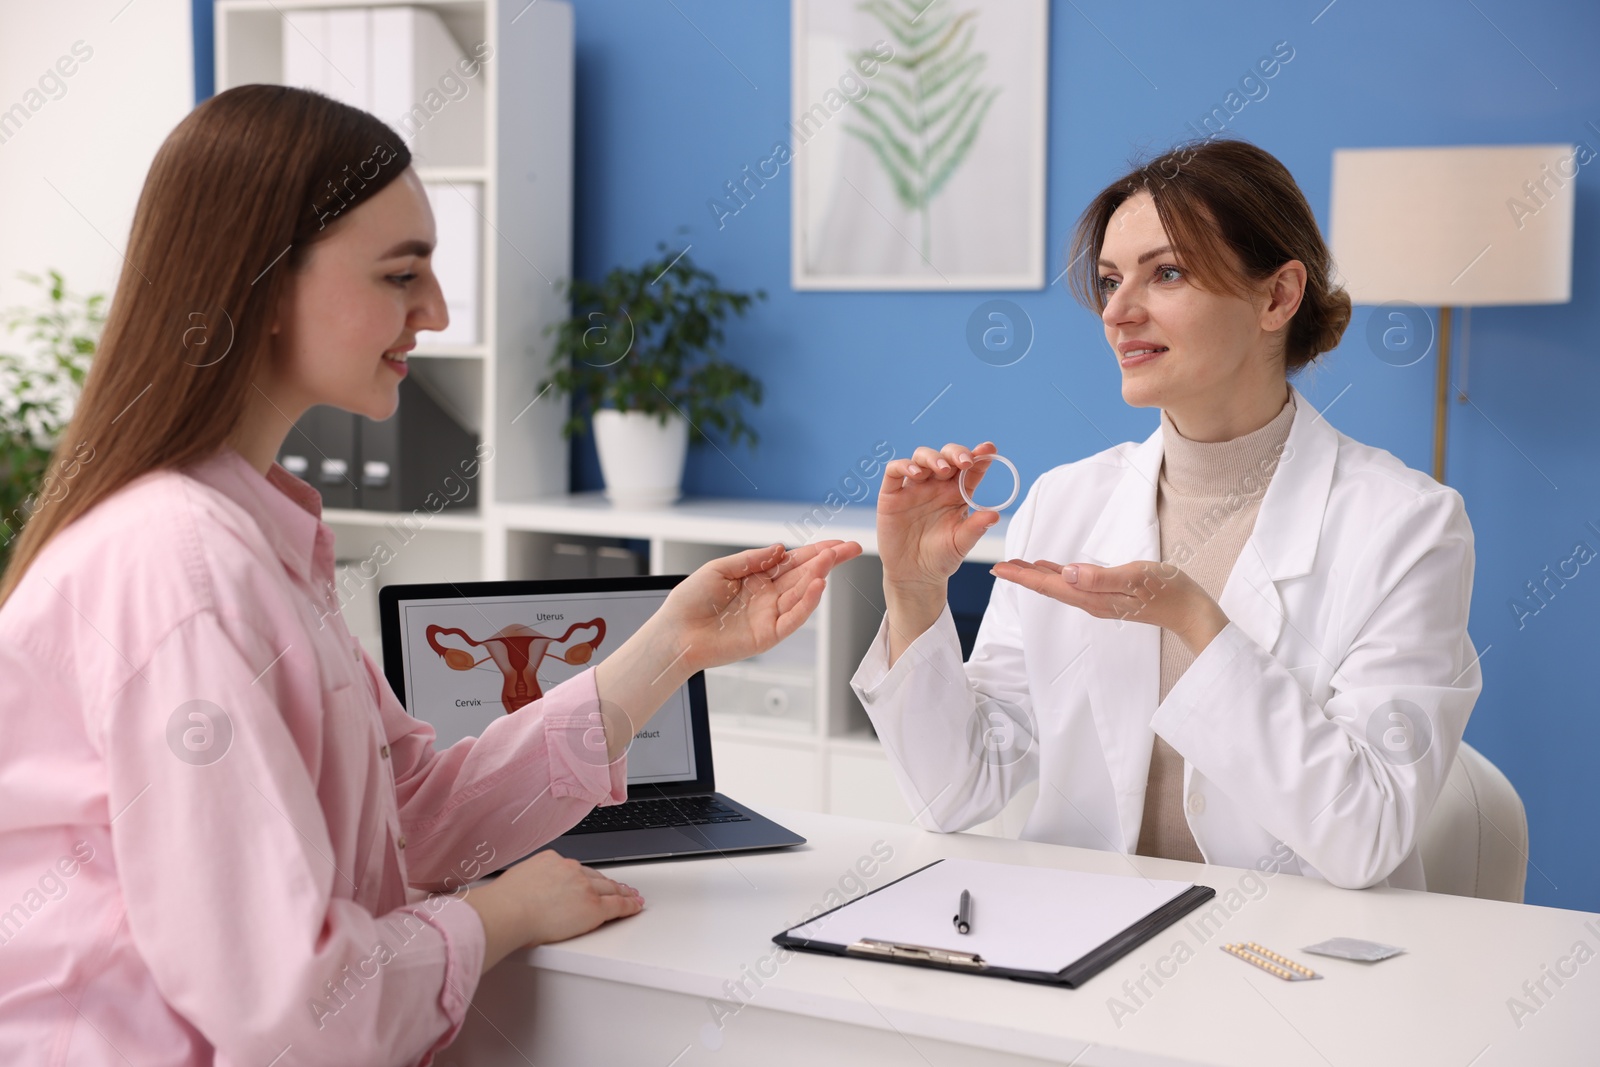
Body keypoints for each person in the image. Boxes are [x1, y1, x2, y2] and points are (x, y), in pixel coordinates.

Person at [0, 85, 859, 1066]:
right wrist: (497, 916)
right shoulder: (183, 569)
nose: (437, 310)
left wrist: (671, 647)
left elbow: (414, 810)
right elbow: (294, 1006)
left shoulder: (248, 539)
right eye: (402, 273)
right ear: (264, 281)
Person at [856, 138, 1480, 893]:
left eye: (1168, 272)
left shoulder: (1409, 525)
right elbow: (954, 791)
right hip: (1081, 947)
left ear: (1278, 297)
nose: (1117, 311)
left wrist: (1195, 622)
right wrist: (913, 591)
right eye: (1112, 279)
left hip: (1293, 969)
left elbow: (1365, 835)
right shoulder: (1067, 500)